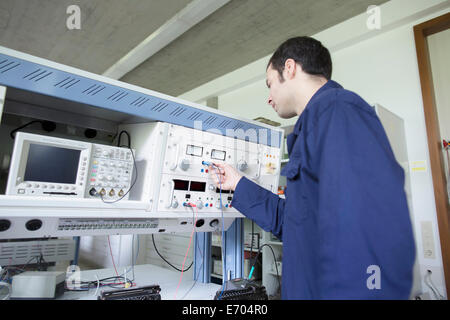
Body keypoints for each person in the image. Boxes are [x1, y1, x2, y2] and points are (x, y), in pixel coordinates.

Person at [209, 36, 416, 300]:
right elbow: (295, 223)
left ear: (290, 68)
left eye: (270, 84)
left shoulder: (338, 111)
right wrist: (237, 183)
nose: (269, 99)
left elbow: (372, 231)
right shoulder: (313, 125)